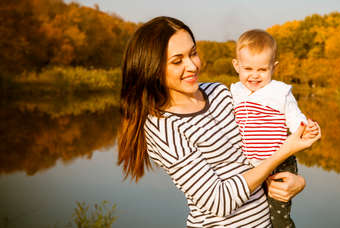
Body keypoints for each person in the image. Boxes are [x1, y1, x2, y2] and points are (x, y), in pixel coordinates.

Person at [117, 16, 321, 227]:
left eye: (193, 53)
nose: (192, 66)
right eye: (177, 61)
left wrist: (296, 181)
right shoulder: (163, 127)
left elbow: (256, 151)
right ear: (152, 69)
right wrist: (284, 152)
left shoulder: (219, 92)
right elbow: (219, 201)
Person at [231, 29, 317, 227]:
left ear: (274, 67)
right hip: (248, 165)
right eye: (248, 69)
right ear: (237, 66)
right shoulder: (235, 91)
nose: (254, 75)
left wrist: (306, 129)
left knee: (278, 215)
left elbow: (295, 118)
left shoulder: (279, 92)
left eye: (262, 70)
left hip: (279, 163)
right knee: (252, 211)